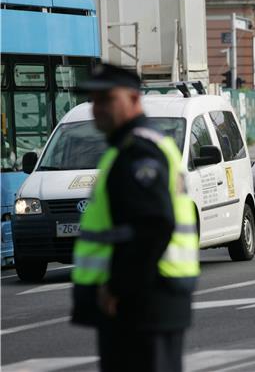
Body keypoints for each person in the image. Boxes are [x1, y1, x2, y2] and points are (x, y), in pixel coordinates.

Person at [71, 63, 200, 372]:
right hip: (148, 299)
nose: (97, 108)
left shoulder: (138, 151)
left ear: (133, 98)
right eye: (94, 100)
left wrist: (118, 287)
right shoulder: (132, 147)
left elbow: (153, 225)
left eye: (106, 99)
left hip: (143, 301)